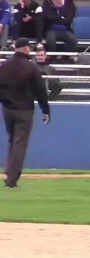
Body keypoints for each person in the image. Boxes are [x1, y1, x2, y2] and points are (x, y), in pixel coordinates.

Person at [0, 38, 50, 189]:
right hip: (24, 110)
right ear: (27, 49)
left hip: (8, 109)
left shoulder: (4, 66)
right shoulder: (31, 67)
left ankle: (9, 172)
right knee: (20, 144)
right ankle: (12, 180)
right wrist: (45, 109)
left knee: (12, 141)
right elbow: (40, 91)